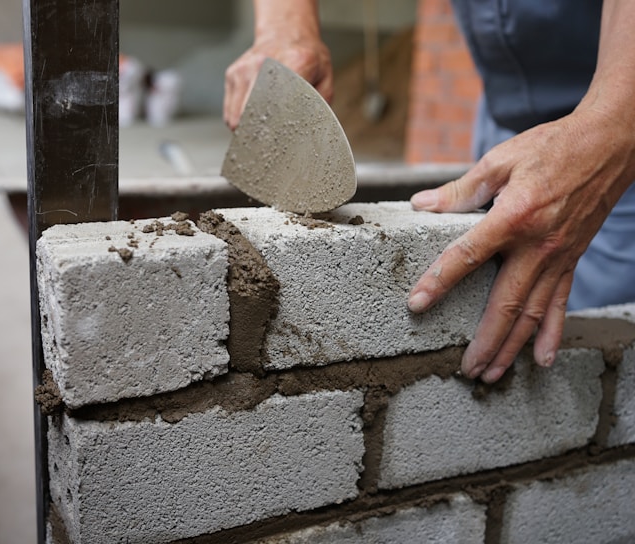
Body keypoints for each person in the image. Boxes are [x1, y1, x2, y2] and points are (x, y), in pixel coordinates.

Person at [224, 0, 635, 384]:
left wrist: (614, 124)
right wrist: (286, 29)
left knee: (581, 358)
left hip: (615, 129)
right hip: (508, 121)